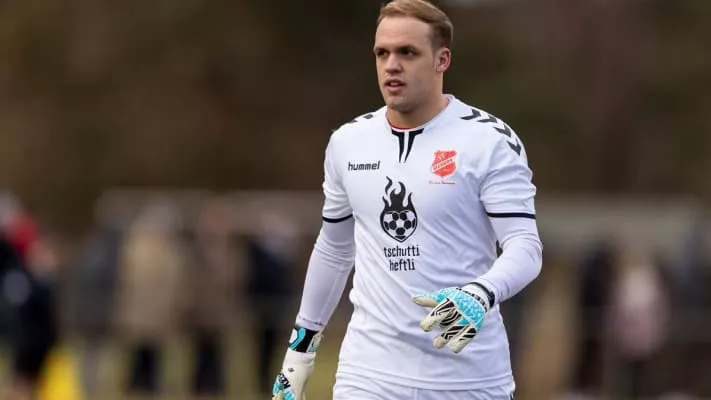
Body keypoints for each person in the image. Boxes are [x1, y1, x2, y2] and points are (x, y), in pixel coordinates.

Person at [271, 1, 543, 399]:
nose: (391, 65)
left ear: (442, 60)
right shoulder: (348, 142)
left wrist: (481, 292)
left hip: (469, 379)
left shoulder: (489, 141)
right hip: (368, 376)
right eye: (382, 53)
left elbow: (525, 247)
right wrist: (300, 352)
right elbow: (334, 249)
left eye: (407, 53)